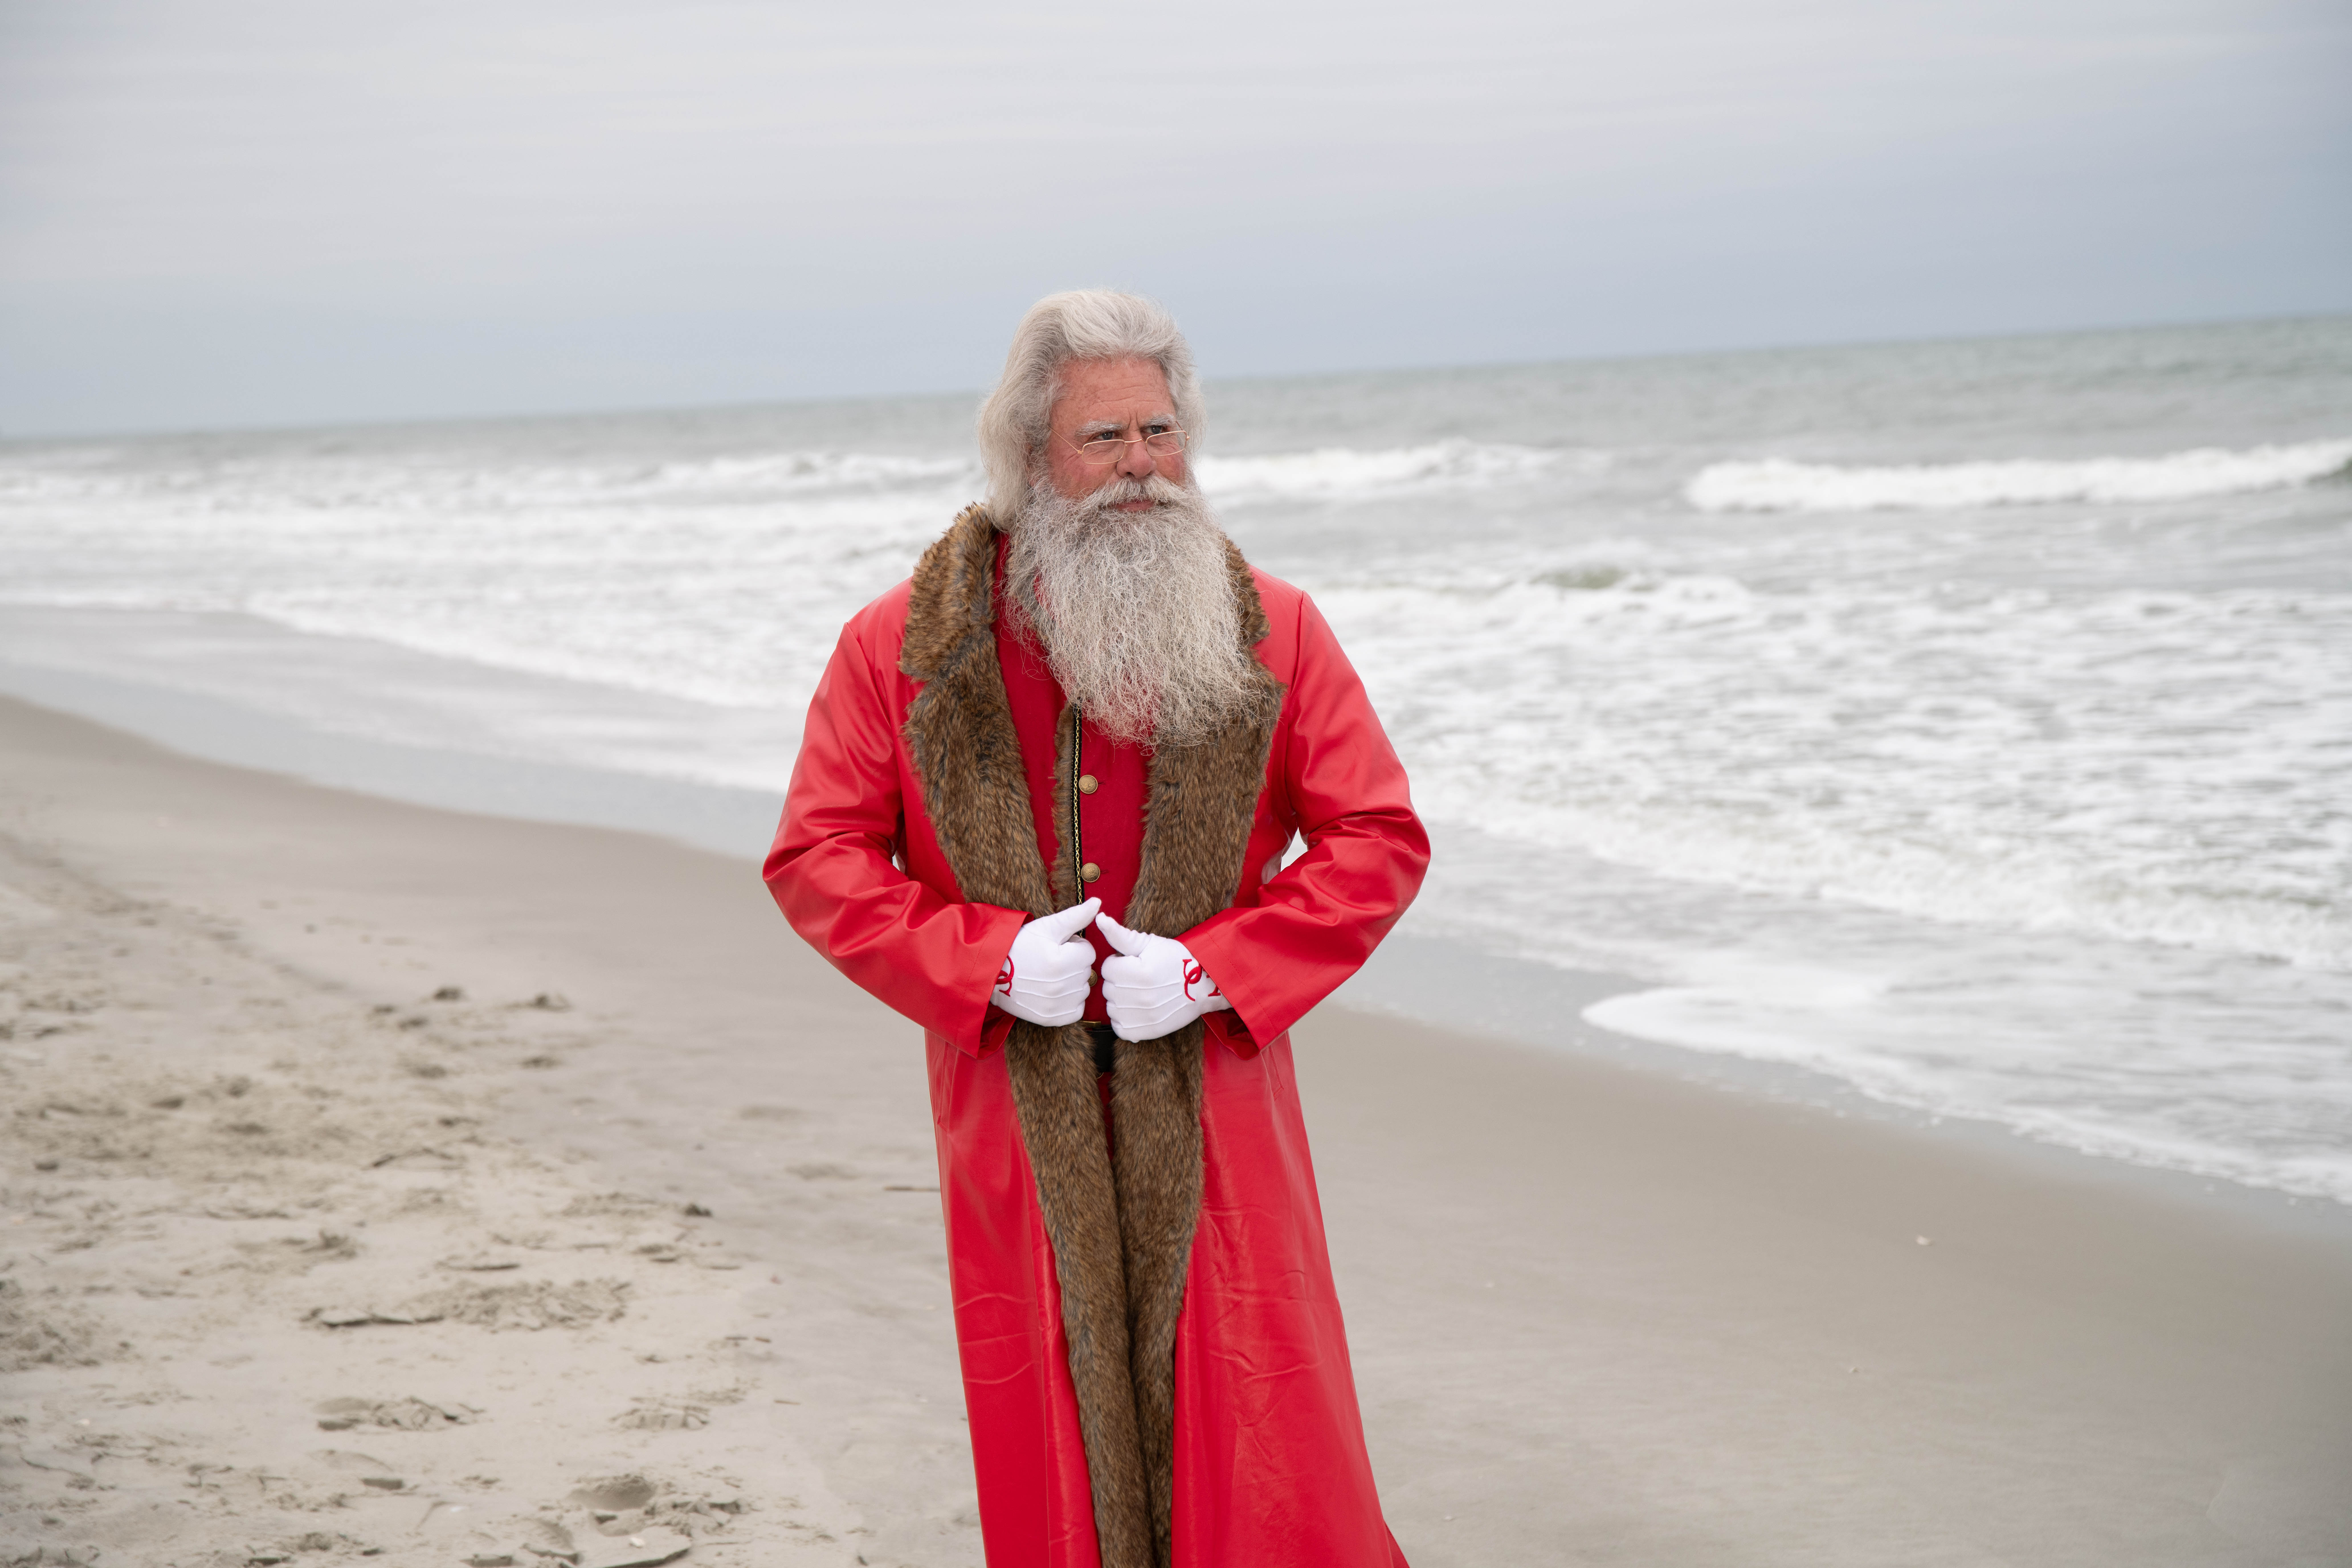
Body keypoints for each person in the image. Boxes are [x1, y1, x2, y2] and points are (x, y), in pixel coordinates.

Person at [765, 289, 1429, 1568]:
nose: (1142, 469)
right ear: (1029, 457)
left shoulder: (1273, 627)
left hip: (1224, 1099)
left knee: (1265, 1425)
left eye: (1160, 432)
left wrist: (1209, 968)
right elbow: (818, 854)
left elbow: (1377, 838)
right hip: (1013, 1114)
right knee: (1051, 1424)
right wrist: (995, 962)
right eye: (1104, 440)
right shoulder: (902, 646)